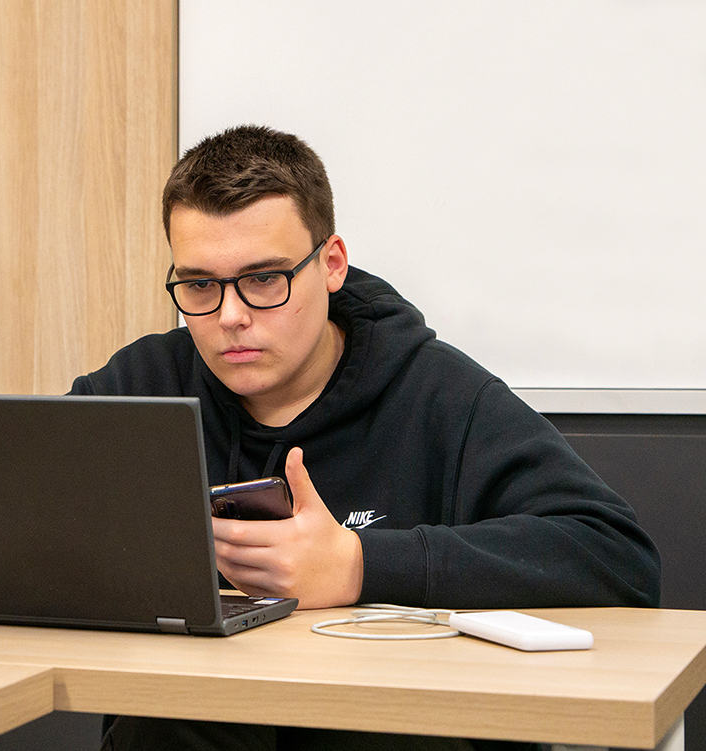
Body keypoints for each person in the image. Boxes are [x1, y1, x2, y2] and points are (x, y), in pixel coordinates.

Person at [70, 125, 661, 750]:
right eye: (198, 286)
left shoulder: (439, 394)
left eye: (265, 279)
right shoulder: (141, 386)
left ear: (330, 266)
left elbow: (618, 558)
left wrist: (360, 565)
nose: (229, 316)